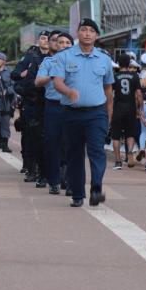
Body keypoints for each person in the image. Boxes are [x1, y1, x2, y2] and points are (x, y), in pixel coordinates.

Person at [51, 18, 114, 207]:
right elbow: (57, 82)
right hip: (71, 113)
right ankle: (78, 194)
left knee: (97, 151)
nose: (87, 33)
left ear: (96, 35)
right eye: (84, 30)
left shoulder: (104, 59)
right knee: (74, 154)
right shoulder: (65, 56)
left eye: (91, 31)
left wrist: (109, 114)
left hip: (96, 114)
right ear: (78, 33)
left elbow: (108, 89)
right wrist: (68, 92)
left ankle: (96, 188)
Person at [35, 31, 73, 195]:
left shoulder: (79, 63)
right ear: (56, 45)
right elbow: (37, 81)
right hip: (53, 106)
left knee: (71, 144)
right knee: (52, 144)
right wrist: (52, 75)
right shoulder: (49, 62)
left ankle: (69, 180)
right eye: (60, 42)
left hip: (72, 106)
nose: (64, 45)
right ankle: (54, 181)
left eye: (67, 43)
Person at [12, 31, 50, 185]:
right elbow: (15, 75)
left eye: (48, 38)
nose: (46, 41)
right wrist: (25, 74)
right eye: (42, 38)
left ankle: (47, 170)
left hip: (49, 103)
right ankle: (31, 168)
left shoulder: (56, 57)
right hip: (31, 102)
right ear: (38, 41)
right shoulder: (30, 57)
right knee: (30, 137)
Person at [111, 53, 142, 169]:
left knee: (116, 135)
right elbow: (138, 94)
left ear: (118, 63)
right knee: (130, 133)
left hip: (118, 107)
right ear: (129, 63)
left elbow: (110, 94)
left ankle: (118, 161)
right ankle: (129, 152)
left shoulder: (114, 76)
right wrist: (140, 109)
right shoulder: (135, 76)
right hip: (131, 108)